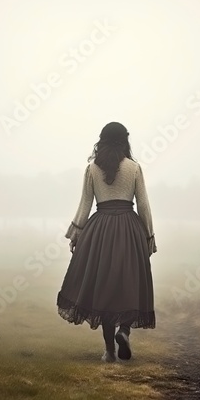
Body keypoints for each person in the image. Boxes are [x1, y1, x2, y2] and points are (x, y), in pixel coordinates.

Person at [56, 122, 157, 363]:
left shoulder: (92, 168)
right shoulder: (134, 168)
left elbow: (84, 205)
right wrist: (149, 236)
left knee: (104, 287)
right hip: (129, 230)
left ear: (101, 140)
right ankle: (124, 331)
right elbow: (143, 205)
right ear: (125, 141)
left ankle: (110, 350)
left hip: (100, 230)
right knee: (129, 282)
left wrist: (77, 234)